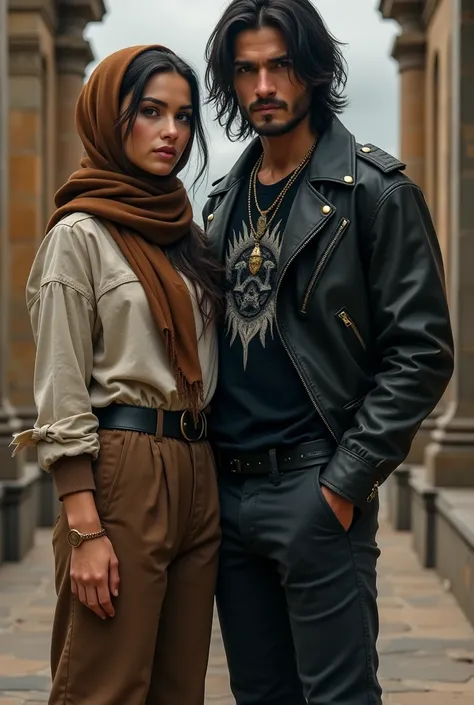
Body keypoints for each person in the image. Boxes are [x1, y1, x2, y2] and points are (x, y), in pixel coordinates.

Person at [203, 1, 454, 704]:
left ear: (313, 70)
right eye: (246, 70)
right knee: (260, 693)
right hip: (231, 492)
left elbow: (423, 350)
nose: (263, 87)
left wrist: (344, 484)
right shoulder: (223, 201)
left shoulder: (375, 191)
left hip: (316, 486)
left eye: (280, 65)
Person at [11, 45, 222, 705]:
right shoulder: (79, 235)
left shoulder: (186, 235)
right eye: (151, 111)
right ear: (110, 116)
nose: (172, 132)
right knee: (105, 685)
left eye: (184, 117)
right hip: (122, 471)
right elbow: (61, 382)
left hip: (197, 464)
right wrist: (85, 525)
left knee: (177, 687)